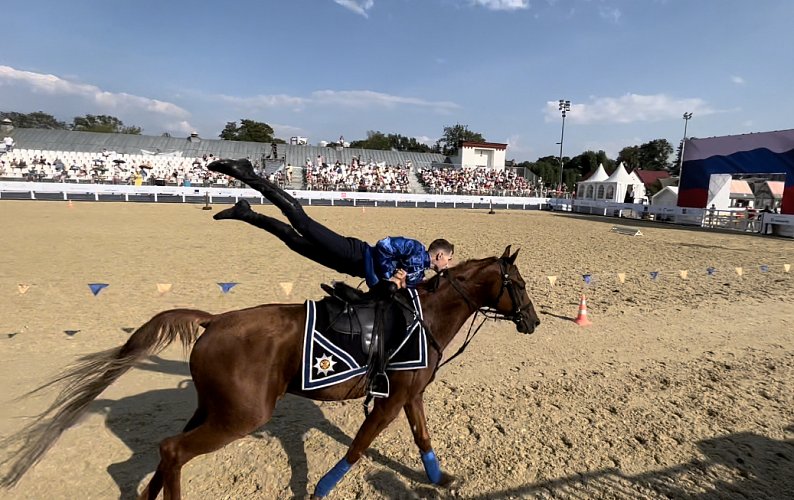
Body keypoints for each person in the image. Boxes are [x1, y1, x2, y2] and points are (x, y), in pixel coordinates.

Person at [207, 158, 454, 291]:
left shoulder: (419, 275)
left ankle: (245, 213)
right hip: (354, 252)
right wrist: (388, 276)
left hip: (346, 265)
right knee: (302, 223)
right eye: (449, 259)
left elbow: (396, 288)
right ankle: (246, 174)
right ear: (440, 254)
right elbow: (384, 246)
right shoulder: (415, 248)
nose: (448, 263)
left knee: (292, 241)